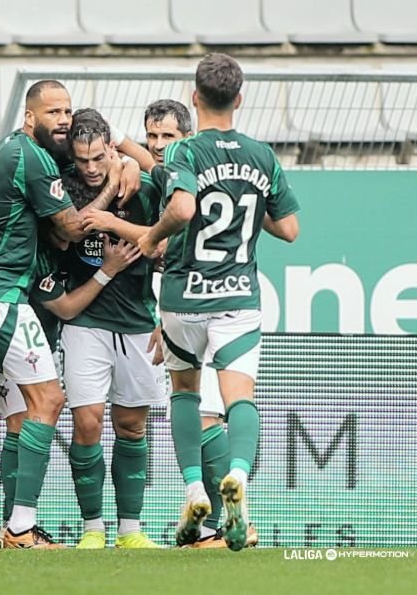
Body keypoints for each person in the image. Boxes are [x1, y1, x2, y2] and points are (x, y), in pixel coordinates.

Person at [0, 80, 142, 550]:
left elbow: (58, 233)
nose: (63, 120)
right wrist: (106, 188)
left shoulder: (14, 149)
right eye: (53, 112)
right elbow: (68, 228)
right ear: (29, 117)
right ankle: (20, 529)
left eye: (67, 111)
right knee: (49, 401)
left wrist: (121, 156)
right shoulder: (33, 156)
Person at [136, 53, 301, 552]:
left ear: (194, 97)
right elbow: (290, 229)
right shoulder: (261, 155)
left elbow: (183, 207)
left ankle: (192, 489)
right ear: (240, 99)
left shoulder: (185, 151)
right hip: (237, 296)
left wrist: (152, 236)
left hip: (184, 297)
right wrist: (249, 206)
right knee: (238, 400)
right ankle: (239, 478)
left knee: (184, 393)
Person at [88, 99, 258, 548]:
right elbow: (148, 162)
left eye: (168, 137)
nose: (159, 146)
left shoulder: (188, 176)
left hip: (210, 304)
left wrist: (111, 221)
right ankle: (219, 524)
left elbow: (162, 248)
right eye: (153, 136)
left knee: (201, 410)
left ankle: (223, 520)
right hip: (201, 303)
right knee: (204, 415)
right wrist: (122, 149)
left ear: (188, 136)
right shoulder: (174, 170)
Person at [0, 226, 142, 548]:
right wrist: (108, 269)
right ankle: (13, 529)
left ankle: (12, 530)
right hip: (11, 340)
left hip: (33, 348)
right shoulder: (36, 259)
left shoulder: (58, 256)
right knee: (19, 425)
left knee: (21, 424)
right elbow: (68, 308)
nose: (71, 232)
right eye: (61, 224)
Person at [58, 109, 163, 550]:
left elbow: (164, 241)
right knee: (87, 421)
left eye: (99, 157)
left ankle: (130, 530)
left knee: (132, 426)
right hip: (87, 321)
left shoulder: (144, 184)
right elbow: (72, 229)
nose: (91, 167)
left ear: (111, 147)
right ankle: (92, 529)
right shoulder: (62, 182)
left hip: (138, 319)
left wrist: (132, 163)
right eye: (82, 160)